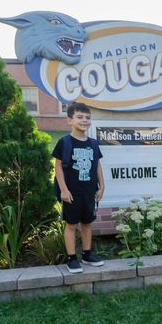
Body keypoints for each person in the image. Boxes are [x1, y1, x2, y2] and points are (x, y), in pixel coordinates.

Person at [53, 102, 105, 274]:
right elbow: (58, 166)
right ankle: (71, 258)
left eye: (87, 118)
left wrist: (102, 186)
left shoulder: (93, 143)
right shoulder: (65, 142)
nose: (84, 120)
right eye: (80, 117)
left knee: (87, 223)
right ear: (69, 120)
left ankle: (87, 254)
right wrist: (63, 189)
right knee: (71, 224)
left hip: (89, 190)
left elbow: (97, 165)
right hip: (72, 192)